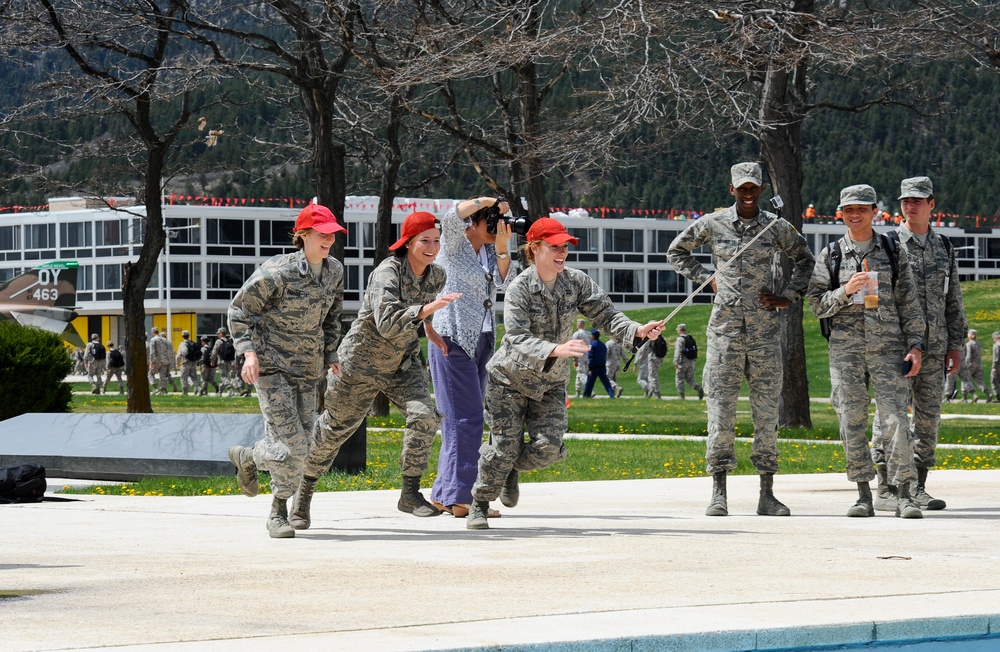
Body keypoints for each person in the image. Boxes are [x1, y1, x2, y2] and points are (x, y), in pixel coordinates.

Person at [466, 217, 666, 530]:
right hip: (510, 381)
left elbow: (607, 315)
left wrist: (637, 330)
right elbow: (516, 337)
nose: (562, 253)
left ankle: (509, 468)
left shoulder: (576, 282)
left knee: (548, 449)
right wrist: (554, 349)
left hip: (550, 383)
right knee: (503, 447)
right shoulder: (519, 288)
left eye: (565, 247)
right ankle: (479, 502)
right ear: (535, 248)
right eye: (554, 247)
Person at [292, 210, 460, 528]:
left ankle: (409, 494)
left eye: (437, 241)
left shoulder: (436, 276)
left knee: (425, 415)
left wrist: (431, 330)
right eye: (425, 241)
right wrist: (427, 309)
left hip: (401, 362)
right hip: (359, 363)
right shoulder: (388, 272)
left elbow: (421, 313)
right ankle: (302, 499)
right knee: (332, 433)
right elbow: (386, 322)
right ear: (408, 243)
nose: (432, 247)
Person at [667, 162, 815, 517]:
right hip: (724, 334)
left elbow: (805, 260)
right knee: (721, 412)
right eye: (741, 188)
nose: (748, 194)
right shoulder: (713, 223)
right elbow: (676, 251)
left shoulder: (776, 227)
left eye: (754, 188)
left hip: (764, 333)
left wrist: (788, 297)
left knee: (766, 415)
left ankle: (767, 493)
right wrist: (707, 279)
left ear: (761, 189)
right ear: (731, 189)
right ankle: (719, 491)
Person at [227, 203, 347, 538]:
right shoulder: (276, 272)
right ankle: (278, 510)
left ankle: (249, 456)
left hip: (308, 370)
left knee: (302, 446)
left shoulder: (335, 270)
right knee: (292, 447)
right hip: (271, 367)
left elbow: (332, 317)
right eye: (322, 234)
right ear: (303, 235)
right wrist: (247, 353)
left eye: (333, 235)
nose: (329, 240)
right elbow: (239, 311)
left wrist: (330, 353)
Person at [807, 184, 925, 519]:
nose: (855, 215)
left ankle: (904, 494)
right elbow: (816, 305)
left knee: (896, 421)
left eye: (861, 209)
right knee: (851, 421)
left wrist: (915, 346)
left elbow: (909, 303)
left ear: (875, 211)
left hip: (888, 350)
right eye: (848, 210)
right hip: (846, 353)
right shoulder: (830, 255)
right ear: (840, 214)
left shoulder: (891, 251)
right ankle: (863, 494)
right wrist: (844, 291)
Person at [870, 176, 967, 512]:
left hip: (936, 347)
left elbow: (952, 298)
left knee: (928, 419)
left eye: (917, 201)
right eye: (905, 201)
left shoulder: (944, 248)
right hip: (896, 347)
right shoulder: (887, 244)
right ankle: (886, 487)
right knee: (890, 416)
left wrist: (956, 344)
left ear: (931, 205)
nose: (910, 206)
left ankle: (919, 486)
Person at [424, 196, 513, 519]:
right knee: (468, 418)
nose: (496, 228)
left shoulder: (492, 250)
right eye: (489, 222)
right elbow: (449, 217)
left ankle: (443, 493)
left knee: (458, 420)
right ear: (473, 222)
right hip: (452, 338)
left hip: (484, 339)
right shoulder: (454, 245)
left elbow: (507, 282)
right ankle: (464, 498)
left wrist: (502, 247)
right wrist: (489, 201)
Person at [959, 329, 993, 403]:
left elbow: (968, 355)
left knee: (965, 379)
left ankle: (965, 397)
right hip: (978, 364)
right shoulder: (978, 344)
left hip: (970, 364)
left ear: (970, 335)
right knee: (979, 381)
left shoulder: (969, 344)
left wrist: (965, 364)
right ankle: (988, 393)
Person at [673, 323, 703, 400]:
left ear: (680, 330)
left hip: (682, 362)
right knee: (690, 379)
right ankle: (698, 388)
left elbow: (678, 351)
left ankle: (681, 395)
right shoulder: (690, 338)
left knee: (679, 379)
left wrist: (676, 362)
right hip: (691, 361)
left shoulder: (680, 339)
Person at [583, 329, 616, 398]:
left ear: (593, 336)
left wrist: (590, 368)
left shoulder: (592, 345)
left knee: (590, 382)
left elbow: (591, 356)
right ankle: (611, 394)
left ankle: (586, 395)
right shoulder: (603, 345)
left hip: (594, 367)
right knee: (606, 382)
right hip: (602, 367)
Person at [147, 327, 176, 394]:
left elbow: (152, 351)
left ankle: (155, 388)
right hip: (164, 360)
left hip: (156, 360)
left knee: (150, 374)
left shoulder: (153, 339)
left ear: (153, 332)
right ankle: (163, 389)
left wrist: (151, 360)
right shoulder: (164, 340)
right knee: (162, 375)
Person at [212, 327, 236, 396]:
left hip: (222, 361)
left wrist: (212, 361)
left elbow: (214, 352)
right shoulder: (229, 341)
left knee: (223, 377)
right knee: (224, 377)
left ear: (221, 333)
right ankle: (219, 392)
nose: (217, 335)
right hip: (229, 362)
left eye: (218, 333)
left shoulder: (218, 341)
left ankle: (230, 390)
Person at [175, 330, 200, 396]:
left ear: (182, 336)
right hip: (193, 362)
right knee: (194, 377)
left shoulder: (183, 344)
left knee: (183, 377)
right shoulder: (192, 343)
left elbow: (181, 354)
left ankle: (185, 392)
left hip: (186, 362)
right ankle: (198, 387)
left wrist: (177, 362)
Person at [571, 319, 590, 397]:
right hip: (588, 356)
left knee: (581, 374)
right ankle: (578, 392)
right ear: (584, 325)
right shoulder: (589, 334)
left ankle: (589, 390)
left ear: (578, 325)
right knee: (579, 374)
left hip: (580, 356)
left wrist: (575, 359)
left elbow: (574, 346)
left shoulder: (576, 334)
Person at [992, 332, 1000, 403]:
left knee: (994, 380)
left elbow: (996, 357)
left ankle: (998, 397)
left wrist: (994, 367)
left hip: (998, 366)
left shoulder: (996, 345)